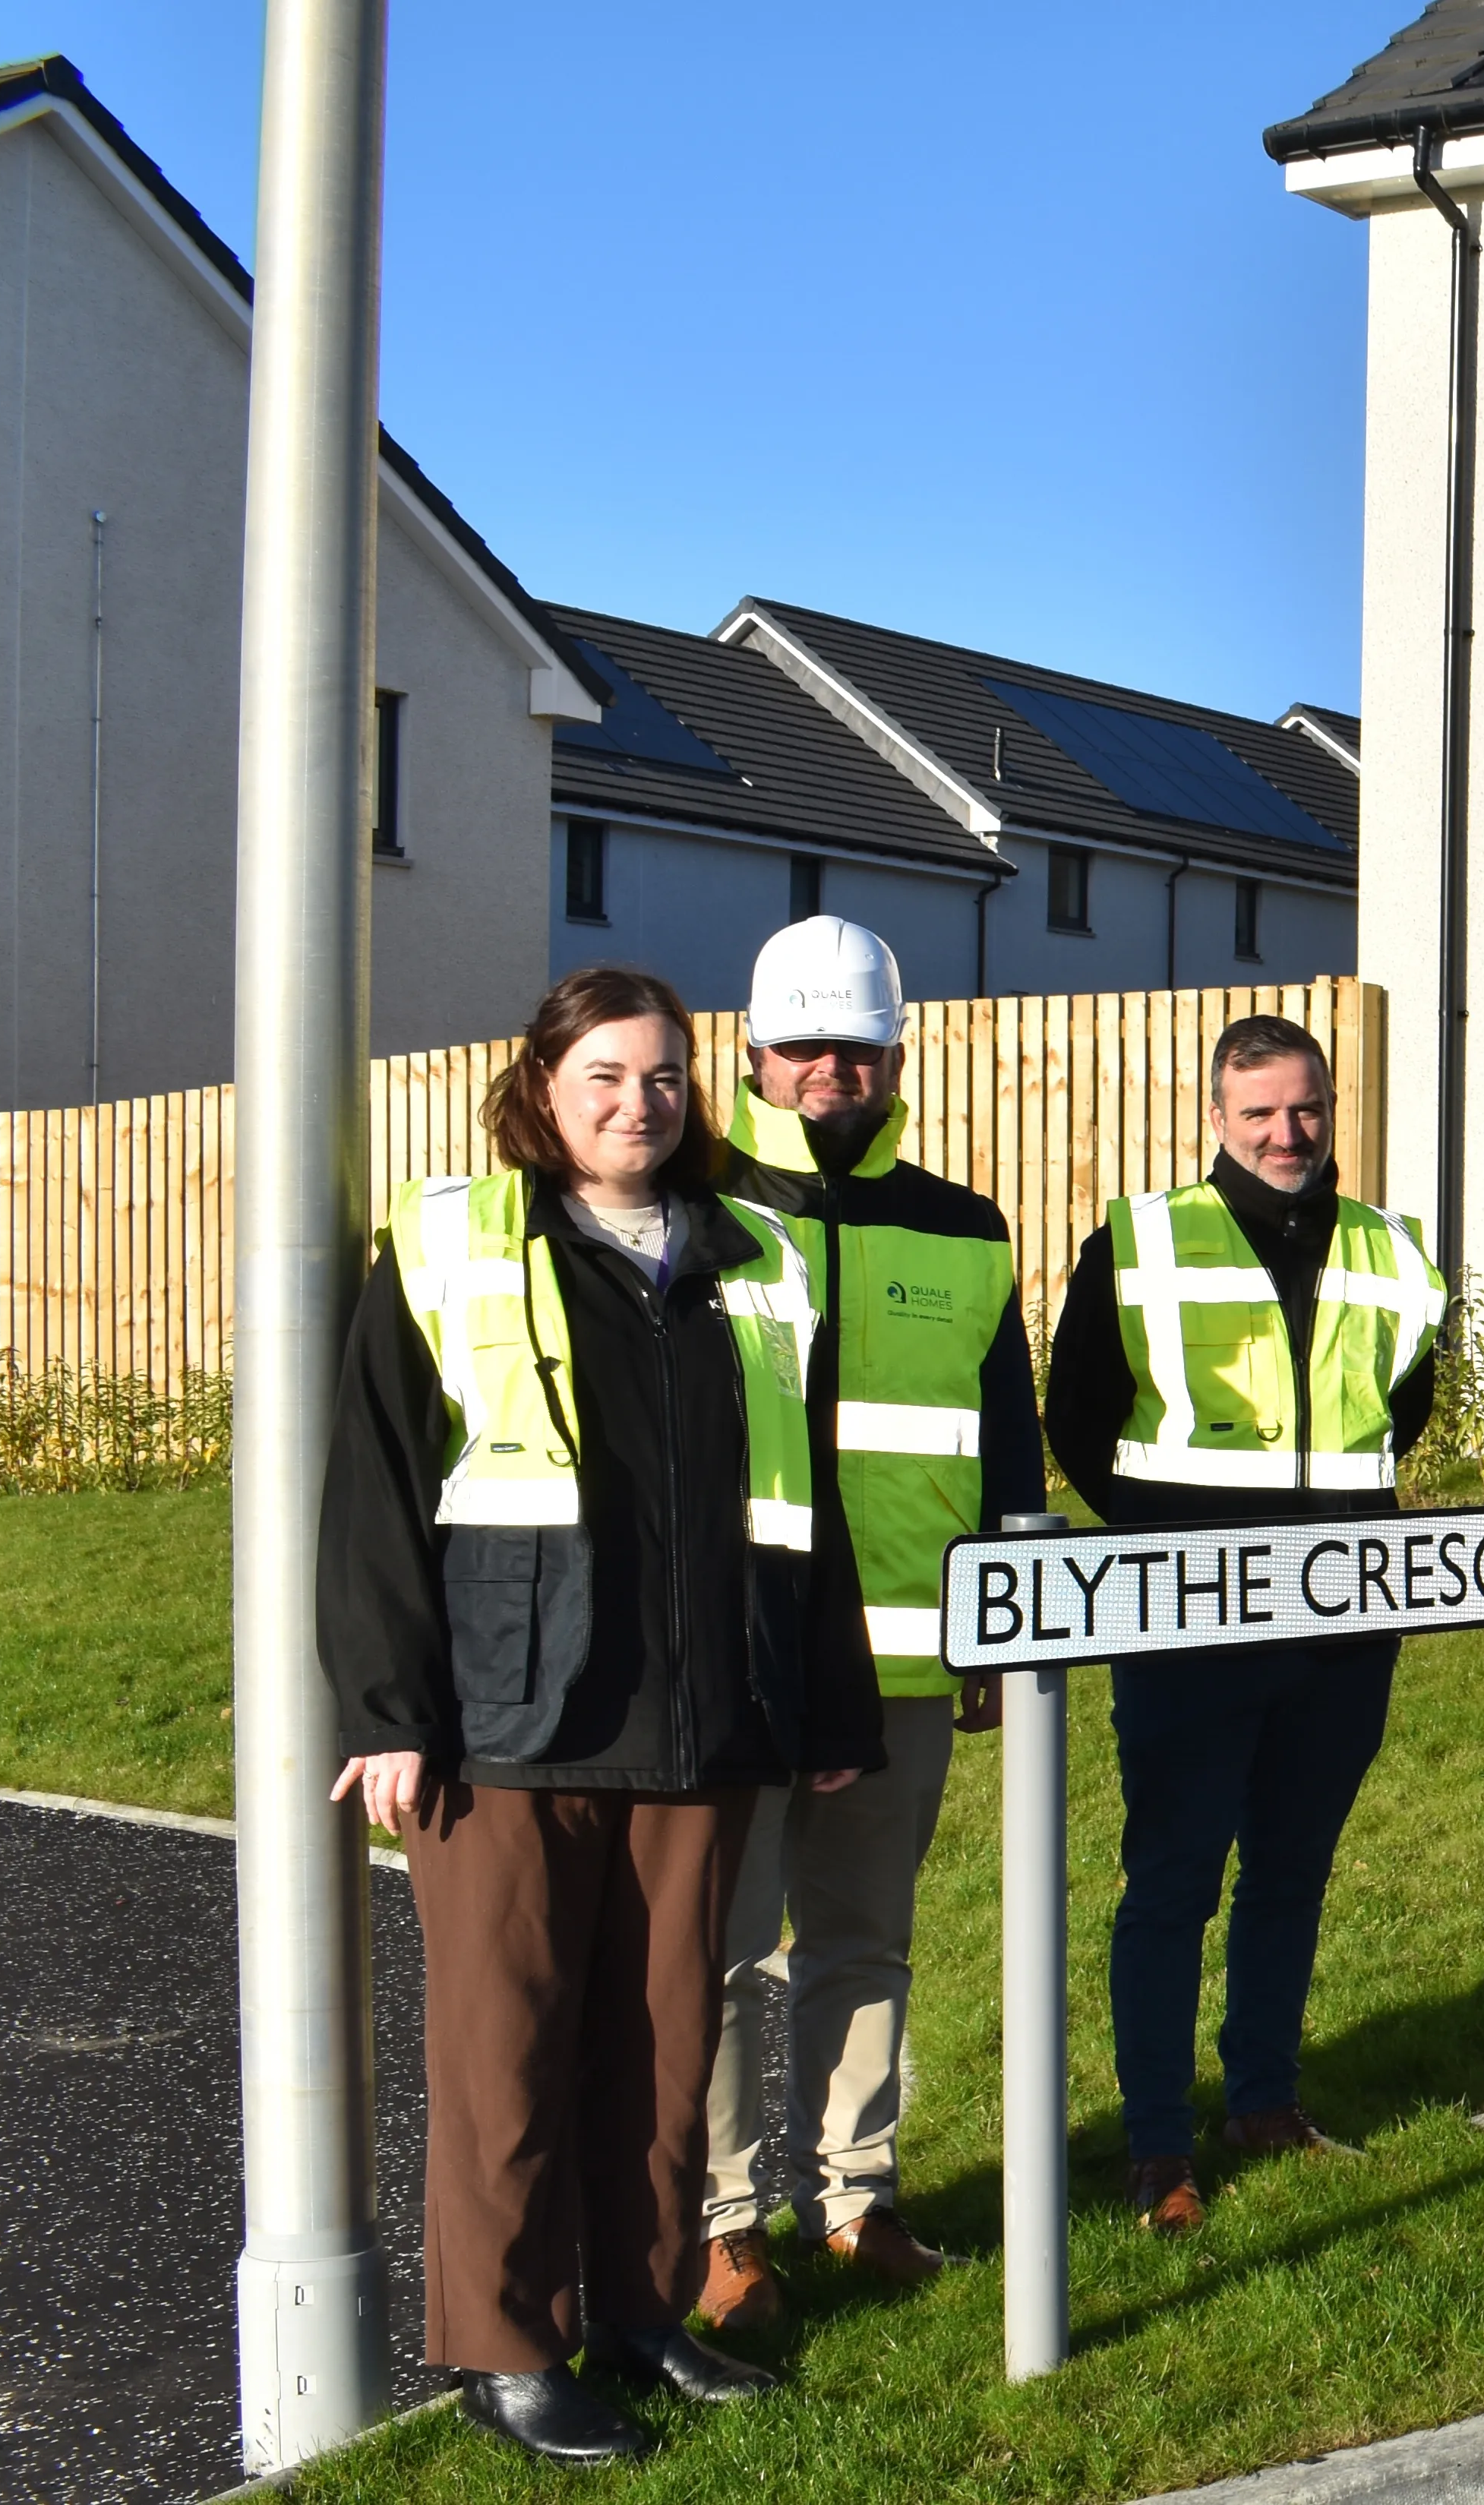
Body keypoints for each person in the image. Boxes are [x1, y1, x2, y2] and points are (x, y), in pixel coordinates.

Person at [319, 965, 882, 2466]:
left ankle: (639, 2313)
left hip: (701, 1721)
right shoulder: (451, 1244)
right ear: (545, 1090)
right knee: (507, 2047)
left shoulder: (757, 1254)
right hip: (509, 1717)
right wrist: (386, 1708)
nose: (639, 1102)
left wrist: (825, 1695)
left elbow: (809, 1503)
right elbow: (371, 1487)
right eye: (607, 1077)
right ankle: (503, 2347)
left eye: (664, 1076)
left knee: (665, 2034)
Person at [694, 918, 1044, 2333]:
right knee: (716, 1953)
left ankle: (854, 2201)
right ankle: (720, 2227)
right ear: (755, 1051)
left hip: (905, 1654)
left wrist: (996, 1629)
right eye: (802, 1046)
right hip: (732, 1660)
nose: (829, 1069)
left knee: (864, 1939)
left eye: (856, 1046)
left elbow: (1005, 1440)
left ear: (896, 1055)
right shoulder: (689, 1200)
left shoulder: (963, 1228)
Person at [1043, 1016, 1443, 2235]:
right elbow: (1079, 1416)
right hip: (1190, 1615)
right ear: (1217, 1117)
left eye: (1306, 1108)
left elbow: (1403, 1408)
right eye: (1259, 1111)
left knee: (1293, 1871)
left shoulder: (1390, 1248)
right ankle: (1158, 2143)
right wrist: (1180, 1543)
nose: (1286, 1132)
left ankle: (1265, 2100)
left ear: (1334, 1106)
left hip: (1341, 1612)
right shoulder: (1139, 1238)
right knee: (1171, 1880)